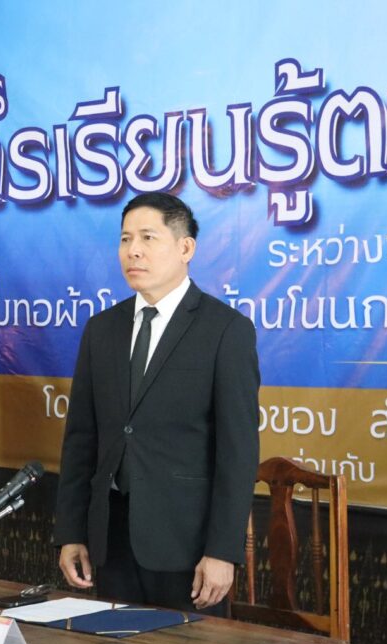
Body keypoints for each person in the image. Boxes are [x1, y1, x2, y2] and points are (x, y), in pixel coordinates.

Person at [53, 192, 260, 616]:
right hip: (111, 542)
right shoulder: (101, 330)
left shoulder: (226, 331)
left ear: (186, 248)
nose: (133, 250)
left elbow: (238, 453)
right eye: (125, 239)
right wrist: (71, 532)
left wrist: (223, 551)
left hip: (188, 548)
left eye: (148, 238)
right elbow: (81, 441)